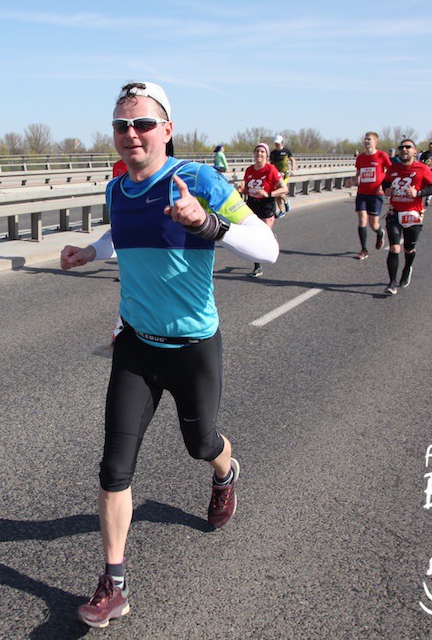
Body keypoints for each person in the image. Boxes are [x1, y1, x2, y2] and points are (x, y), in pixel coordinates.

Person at [61, 81, 278, 629]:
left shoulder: (199, 180)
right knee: (114, 467)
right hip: (135, 345)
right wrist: (91, 251)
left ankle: (225, 472)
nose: (131, 133)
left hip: (192, 347)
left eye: (142, 123)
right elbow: (121, 233)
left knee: (200, 444)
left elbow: (268, 248)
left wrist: (205, 223)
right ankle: (114, 584)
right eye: (121, 125)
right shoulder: (116, 187)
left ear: (167, 130)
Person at [381, 139, 432, 295]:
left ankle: (407, 268)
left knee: (408, 248)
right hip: (394, 212)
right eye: (402, 147)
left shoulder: (422, 168)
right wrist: (386, 190)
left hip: (413, 214)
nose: (404, 149)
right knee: (394, 247)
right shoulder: (393, 168)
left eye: (408, 147)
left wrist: (418, 193)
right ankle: (392, 283)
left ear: (415, 151)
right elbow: (385, 183)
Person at [238, 142, 288, 276]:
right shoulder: (249, 170)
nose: (259, 154)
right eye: (257, 151)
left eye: (262, 152)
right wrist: (242, 190)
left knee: (262, 236)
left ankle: (270, 239)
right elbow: (247, 189)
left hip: (266, 205)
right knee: (253, 237)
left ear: (266, 155)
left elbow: (284, 188)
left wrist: (269, 194)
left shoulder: (271, 169)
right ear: (254, 154)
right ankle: (257, 266)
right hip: (252, 204)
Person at [352, 131, 391, 260]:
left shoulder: (381, 155)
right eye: (365, 139)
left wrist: (384, 185)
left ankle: (380, 233)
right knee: (362, 220)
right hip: (362, 193)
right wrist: (354, 180)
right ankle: (364, 250)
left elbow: (390, 171)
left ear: (375, 142)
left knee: (373, 224)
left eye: (369, 139)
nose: (366, 141)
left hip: (376, 194)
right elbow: (358, 172)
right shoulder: (360, 158)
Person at [269, 134, 295, 217]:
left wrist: (292, 169)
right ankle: (282, 210)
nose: (277, 145)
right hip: (276, 175)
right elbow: (271, 164)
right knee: (276, 194)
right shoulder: (273, 153)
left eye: (278, 143)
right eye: (275, 143)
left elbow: (292, 160)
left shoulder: (286, 151)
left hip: (284, 175)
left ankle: (286, 201)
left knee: (279, 191)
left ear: (282, 143)